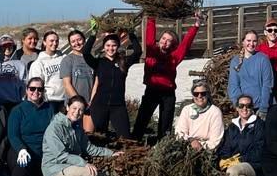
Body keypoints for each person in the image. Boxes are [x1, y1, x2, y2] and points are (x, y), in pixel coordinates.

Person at [133, 13, 202, 141]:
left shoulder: (174, 57)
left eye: (169, 40)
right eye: (163, 38)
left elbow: (186, 44)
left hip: (168, 94)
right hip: (151, 91)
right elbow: (149, 35)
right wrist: (151, 15)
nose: (165, 42)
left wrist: (196, 25)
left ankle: (162, 147)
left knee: (165, 126)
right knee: (142, 120)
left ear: (172, 44)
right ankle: (133, 144)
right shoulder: (151, 51)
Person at [40, 98, 109, 176]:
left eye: (80, 110)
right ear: (67, 107)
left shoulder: (77, 128)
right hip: (54, 168)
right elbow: (61, 156)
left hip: (71, 167)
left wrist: (112, 153)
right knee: (90, 173)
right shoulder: (55, 128)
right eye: (74, 108)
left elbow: (89, 148)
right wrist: (83, 163)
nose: (77, 112)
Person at [7, 77, 55, 176]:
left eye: (39, 89)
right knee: (22, 165)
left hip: (43, 151)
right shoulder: (18, 110)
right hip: (23, 149)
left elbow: (54, 131)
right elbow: (13, 135)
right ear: (27, 90)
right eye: (32, 88)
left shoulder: (49, 108)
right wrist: (21, 149)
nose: (35, 92)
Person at [209, 94, 265, 176]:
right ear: (237, 108)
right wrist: (225, 170)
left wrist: (239, 160)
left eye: (248, 106)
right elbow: (225, 149)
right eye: (241, 105)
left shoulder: (259, 125)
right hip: (233, 170)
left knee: (234, 171)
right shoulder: (232, 127)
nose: (245, 108)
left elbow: (260, 150)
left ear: (252, 108)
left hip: (253, 167)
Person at [88, 31, 132, 139]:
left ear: (118, 46)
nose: (110, 48)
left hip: (118, 106)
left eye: (114, 45)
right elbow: (85, 53)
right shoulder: (98, 62)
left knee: (125, 136)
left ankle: (123, 155)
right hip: (99, 105)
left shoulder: (123, 62)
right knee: (101, 137)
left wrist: (130, 32)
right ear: (103, 47)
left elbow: (138, 51)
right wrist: (94, 34)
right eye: (107, 45)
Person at [228, 31, 274, 116]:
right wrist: (240, 106)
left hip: (260, 107)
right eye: (248, 41)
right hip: (244, 109)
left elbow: (267, 85)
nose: (251, 44)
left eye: (254, 41)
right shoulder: (236, 61)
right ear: (243, 42)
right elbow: (233, 85)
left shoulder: (263, 59)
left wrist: (263, 108)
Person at [175, 80, 225, 151]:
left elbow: (216, 140)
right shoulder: (187, 110)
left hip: (208, 151)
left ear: (207, 94)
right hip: (187, 147)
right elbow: (180, 132)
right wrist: (191, 140)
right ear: (192, 95)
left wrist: (201, 146)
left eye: (203, 93)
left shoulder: (215, 112)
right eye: (196, 94)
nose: (199, 96)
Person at [28, 30, 65, 107]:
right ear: (44, 42)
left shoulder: (64, 58)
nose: (54, 43)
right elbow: (35, 86)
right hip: (48, 102)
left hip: (65, 101)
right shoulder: (38, 64)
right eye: (51, 41)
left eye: (56, 41)